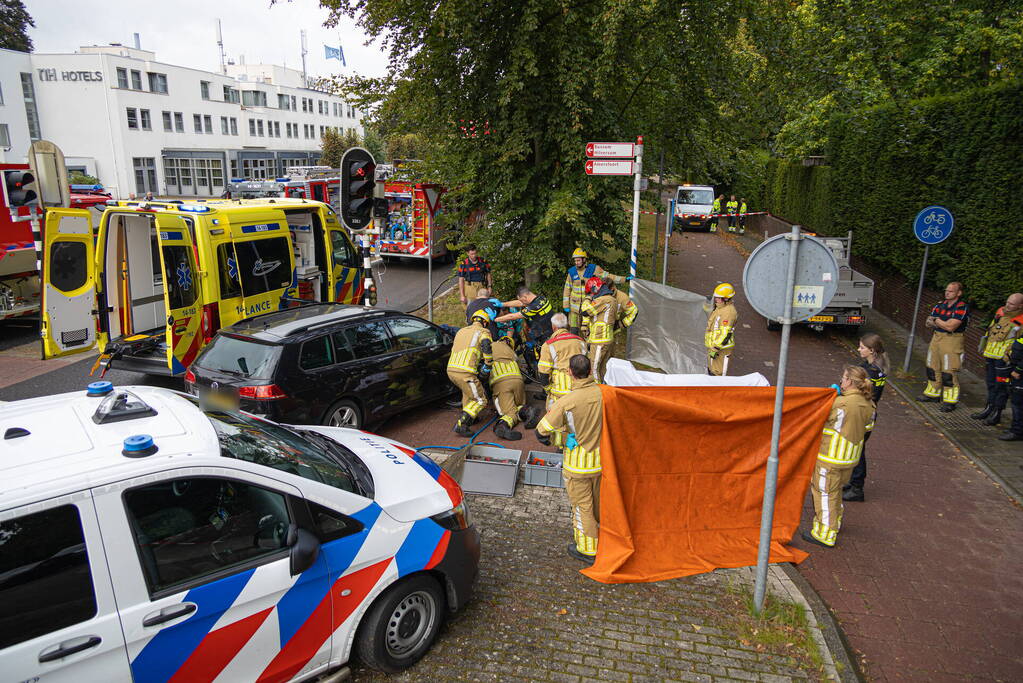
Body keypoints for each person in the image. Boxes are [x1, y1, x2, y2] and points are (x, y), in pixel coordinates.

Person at [536, 354, 604, 563]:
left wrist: (562, 437)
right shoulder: (605, 393)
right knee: (597, 505)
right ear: (590, 370)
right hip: (600, 462)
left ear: (570, 373)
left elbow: (542, 430)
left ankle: (588, 550)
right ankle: (603, 540)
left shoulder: (567, 401)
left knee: (582, 507)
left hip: (577, 466)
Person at [802, 365, 876, 548]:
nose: (841, 381)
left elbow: (819, 420)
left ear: (850, 381)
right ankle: (835, 522)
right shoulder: (869, 404)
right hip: (850, 458)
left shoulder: (841, 404)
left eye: (843, 378)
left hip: (830, 457)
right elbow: (867, 430)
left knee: (824, 493)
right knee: (835, 492)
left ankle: (825, 533)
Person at [843, 334, 889, 502]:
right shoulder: (874, 367)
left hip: (864, 413)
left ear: (872, 351)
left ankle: (857, 488)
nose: (858, 349)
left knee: (858, 448)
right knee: (857, 447)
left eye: (862, 347)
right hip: (870, 412)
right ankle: (853, 482)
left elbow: (862, 392)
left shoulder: (871, 372)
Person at [971, 293, 1023, 427]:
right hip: (991, 357)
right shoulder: (1000, 312)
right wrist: (983, 347)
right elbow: (990, 332)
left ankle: (997, 414)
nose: (1007, 305)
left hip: (1004, 362)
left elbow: (1018, 343)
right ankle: (988, 409)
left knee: (1002, 388)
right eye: (1007, 302)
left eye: (1011, 304)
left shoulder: (1021, 320)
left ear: (1020, 306)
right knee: (991, 384)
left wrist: (1010, 358)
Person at [917, 282, 970, 412]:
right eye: (946, 290)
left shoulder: (962, 307)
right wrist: (941, 323)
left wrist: (936, 320)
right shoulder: (940, 305)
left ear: (959, 293)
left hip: (952, 340)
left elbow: (951, 327)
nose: (947, 293)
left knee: (948, 372)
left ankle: (950, 401)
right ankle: (932, 394)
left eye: (951, 291)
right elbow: (928, 323)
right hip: (936, 338)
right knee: (931, 367)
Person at [446, 309, 494, 436]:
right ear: (484, 322)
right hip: (465, 372)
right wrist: (488, 365)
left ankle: (471, 417)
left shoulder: (461, 331)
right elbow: (486, 346)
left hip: (451, 370)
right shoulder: (483, 331)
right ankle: (462, 424)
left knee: (468, 393)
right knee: (480, 400)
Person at [562, 248, 626, 335]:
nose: (576, 263)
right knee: (573, 331)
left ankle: (587, 348)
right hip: (574, 310)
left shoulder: (593, 269)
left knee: (587, 331)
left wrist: (624, 279)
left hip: (588, 307)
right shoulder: (572, 272)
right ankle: (575, 346)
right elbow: (567, 289)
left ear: (584, 260)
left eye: (578, 260)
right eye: (575, 261)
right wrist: (566, 305)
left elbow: (609, 276)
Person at [489, 335, 539, 440]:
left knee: (508, 412)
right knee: (519, 404)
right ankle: (527, 411)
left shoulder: (490, 346)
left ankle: (502, 426)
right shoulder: (512, 352)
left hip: (501, 382)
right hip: (518, 380)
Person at [538, 313, 588, 412]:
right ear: (566, 325)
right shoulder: (580, 341)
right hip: (579, 386)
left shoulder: (548, 345)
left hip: (559, 391)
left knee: (554, 418)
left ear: (554, 327)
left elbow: (543, 372)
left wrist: (548, 388)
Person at [580, 276, 618, 383]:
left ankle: (598, 392)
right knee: (603, 369)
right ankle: (605, 391)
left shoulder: (603, 300)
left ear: (595, 288)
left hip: (599, 340)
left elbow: (585, 311)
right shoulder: (612, 299)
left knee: (594, 368)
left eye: (591, 292)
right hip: (606, 339)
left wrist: (587, 298)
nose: (592, 295)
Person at [705, 283, 738, 376]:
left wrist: (715, 348)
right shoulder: (720, 308)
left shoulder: (728, 312)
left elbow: (725, 333)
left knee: (717, 374)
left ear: (726, 299)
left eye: (719, 298)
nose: (716, 300)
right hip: (714, 347)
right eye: (716, 297)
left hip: (720, 349)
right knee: (711, 371)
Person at [998, 338, 1023, 441]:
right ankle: (1017, 428)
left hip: (1020, 374)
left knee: (1018, 403)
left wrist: (1018, 370)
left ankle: (1017, 431)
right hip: (1016, 370)